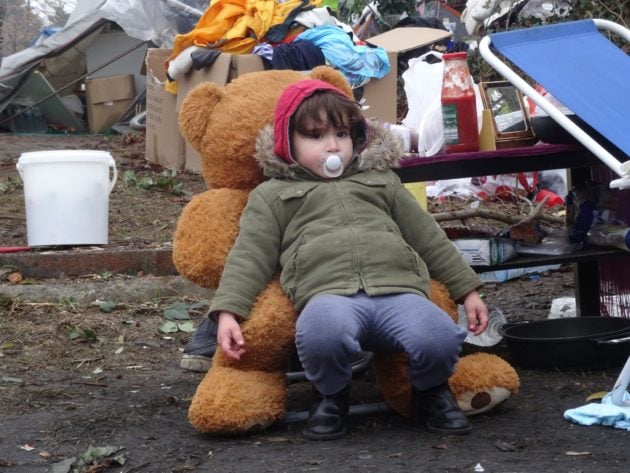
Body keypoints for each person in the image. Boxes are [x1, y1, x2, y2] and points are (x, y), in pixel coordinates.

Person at [208, 79, 488, 441]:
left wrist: (468, 291)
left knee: (439, 335)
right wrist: (229, 311)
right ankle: (330, 394)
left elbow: (428, 237)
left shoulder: (380, 181)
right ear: (287, 142)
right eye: (315, 135)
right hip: (328, 293)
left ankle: (430, 391)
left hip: (398, 290)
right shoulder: (273, 195)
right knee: (321, 333)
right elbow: (249, 255)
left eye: (341, 133)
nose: (332, 144)